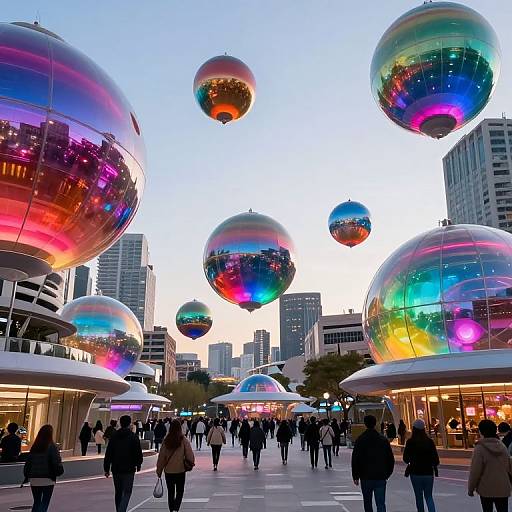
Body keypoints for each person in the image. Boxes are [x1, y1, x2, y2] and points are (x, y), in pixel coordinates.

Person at [351, 415, 395, 512]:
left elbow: (355, 458)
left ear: (365, 424)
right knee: (381, 503)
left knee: (367, 502)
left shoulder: (360, 439)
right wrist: (387, 473)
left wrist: (355, 475)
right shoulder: (383, 440)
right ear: (375, 424)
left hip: (365, 475)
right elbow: (390, 458)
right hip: (380, 475)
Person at [469, 419, 512, 512]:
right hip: (503, 487)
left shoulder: (480, 448)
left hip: (486, 488)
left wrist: (471, 488)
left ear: (481, 431)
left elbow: (475, 471)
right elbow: (509, 466)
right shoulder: (502, 446)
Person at [104, 415, 143, 512]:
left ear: (120, 423)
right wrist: (138, 464)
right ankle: (122, 510)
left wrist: (106, 468)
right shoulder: (133, 437)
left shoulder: (114, 436)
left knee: (118, 492)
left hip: (116, 468)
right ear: (129, 423)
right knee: (127, 491)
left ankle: (119, 509)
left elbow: (108, 453)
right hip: (129, 468)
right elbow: (138, 453)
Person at [157, 419, 195, 512]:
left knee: (170, 492)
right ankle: (176, 508)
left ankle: (171, 509)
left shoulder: (166, 440)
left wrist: (159, 470)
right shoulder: (183, 440)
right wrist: (190, 463)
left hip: (168, 471)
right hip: (180, 470)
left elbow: (161, 457)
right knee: (180, 491)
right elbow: (190, 454)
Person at [23, 424, 63, 512]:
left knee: (36, 502)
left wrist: (27, 475)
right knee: (45, 502)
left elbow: (28, 462)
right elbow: (56, 462)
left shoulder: (34, 447)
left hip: (34, 478)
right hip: (48, 478)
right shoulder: (52, 446)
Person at [403, 419, 440, 512]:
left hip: (415, 472)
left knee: (418, 497)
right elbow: (436, 460)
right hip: (428, 472)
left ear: (414, 429)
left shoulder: (410, 442)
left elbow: (405, 459)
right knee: (429, 496)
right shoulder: (429, 442)